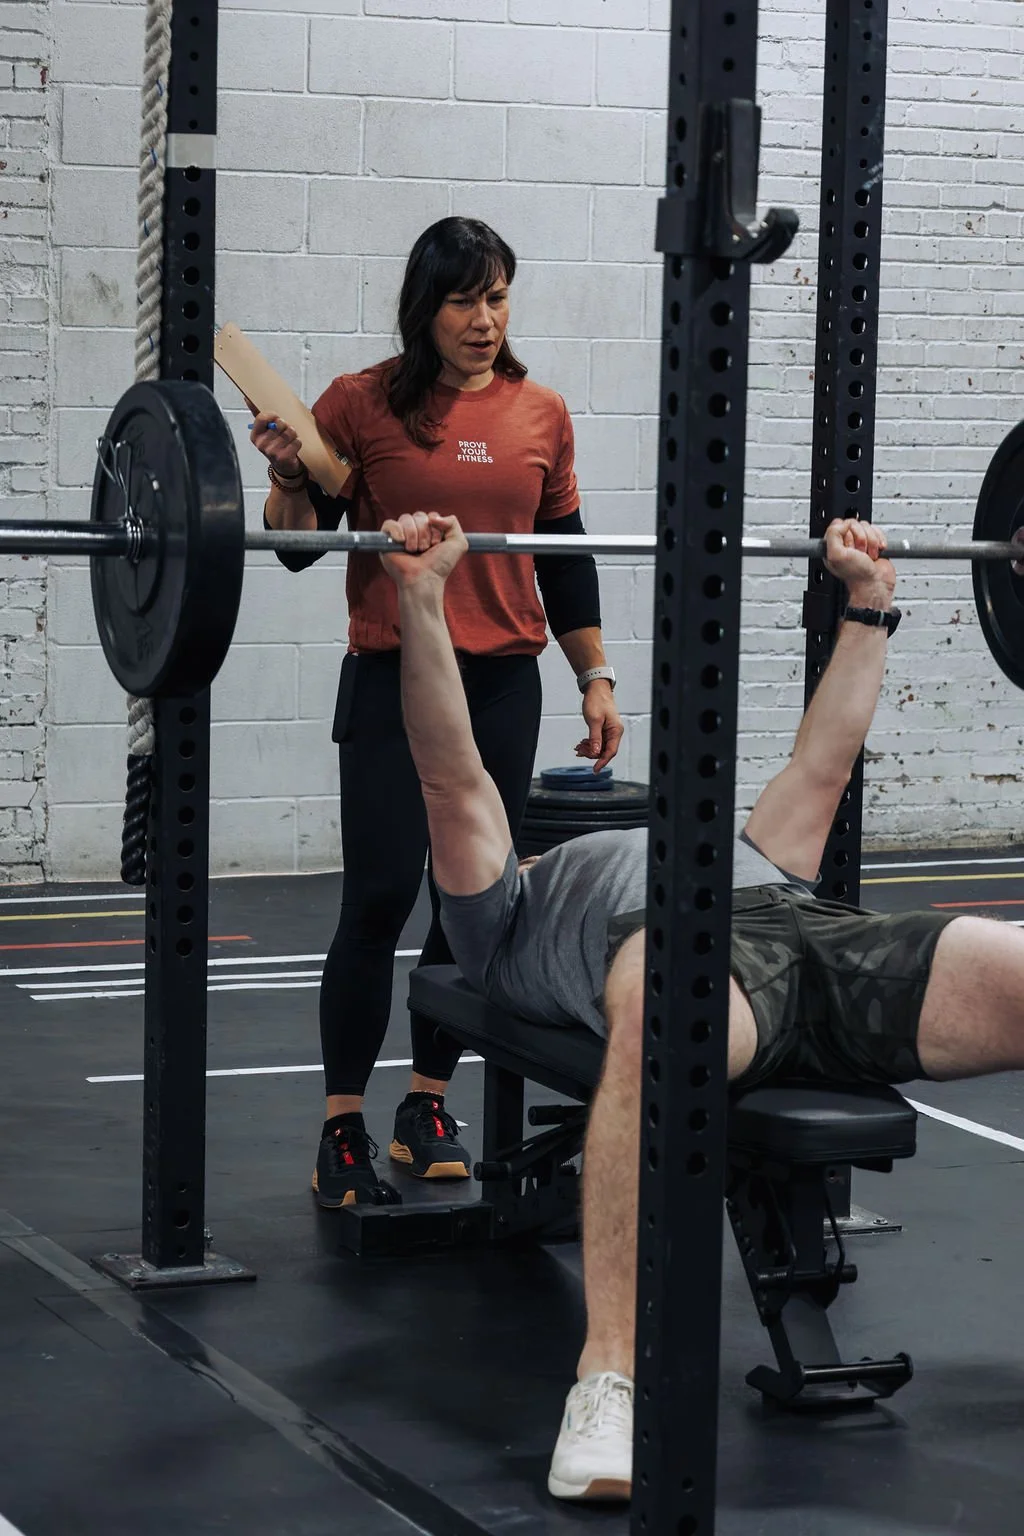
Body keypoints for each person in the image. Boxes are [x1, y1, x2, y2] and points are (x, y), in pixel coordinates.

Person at [377, 506, 1024, 1504]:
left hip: (813, 933)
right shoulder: (502, 918)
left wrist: (869, 604)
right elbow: (452, 779)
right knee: (660, 1012)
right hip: (685, 962)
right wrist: (422, 599)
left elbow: (823, 765)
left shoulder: (748, 840)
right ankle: (608, 1381)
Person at [246, 217, 624, 1207]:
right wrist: (290, 473)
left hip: (501, 685)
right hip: (391, 679)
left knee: (472, 909)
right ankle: (340, 1127)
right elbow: (294, 545)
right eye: (463, 299)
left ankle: (424, 1102)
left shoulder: (540, 411)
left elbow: (567, 556)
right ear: (426, 306)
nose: (483, 318)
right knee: (375, 899)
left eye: (497, 297)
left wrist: (595, 676)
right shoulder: (359, 403)